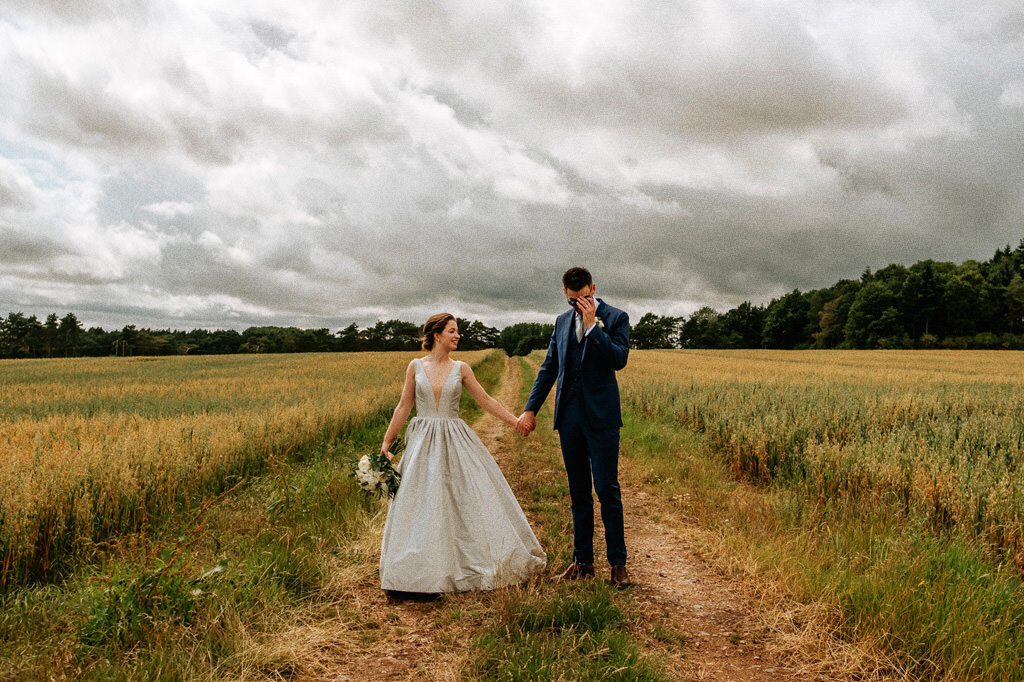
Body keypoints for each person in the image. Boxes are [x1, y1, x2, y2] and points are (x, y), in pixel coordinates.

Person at [378, 313, 546, 593]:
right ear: (436, 335)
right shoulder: (415, 366)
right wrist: (387, 442)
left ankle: (459, 567)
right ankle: (414, 573)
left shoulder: (462, 368)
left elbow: (486, 400)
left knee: (460, 498)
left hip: (454, 437)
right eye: (452, 331)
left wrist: (515, 421)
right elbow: (403, 406)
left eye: (458, 331)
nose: (458, 335)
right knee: (419, 502)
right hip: (421, 440)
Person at [517, 267, 632, 588]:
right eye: (572, 301)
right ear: (565, 295)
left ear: (593, 289)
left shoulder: (617, 317)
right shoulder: (561, 322)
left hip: (603, 419)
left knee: (607, 490)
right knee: (578, 493)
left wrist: (595, 327)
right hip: (569, 419)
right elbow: (549, 367)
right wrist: (530, 409)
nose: (578, 306)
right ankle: (583, 562)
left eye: (584, 299)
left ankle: (618, 565)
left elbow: (619, 359)